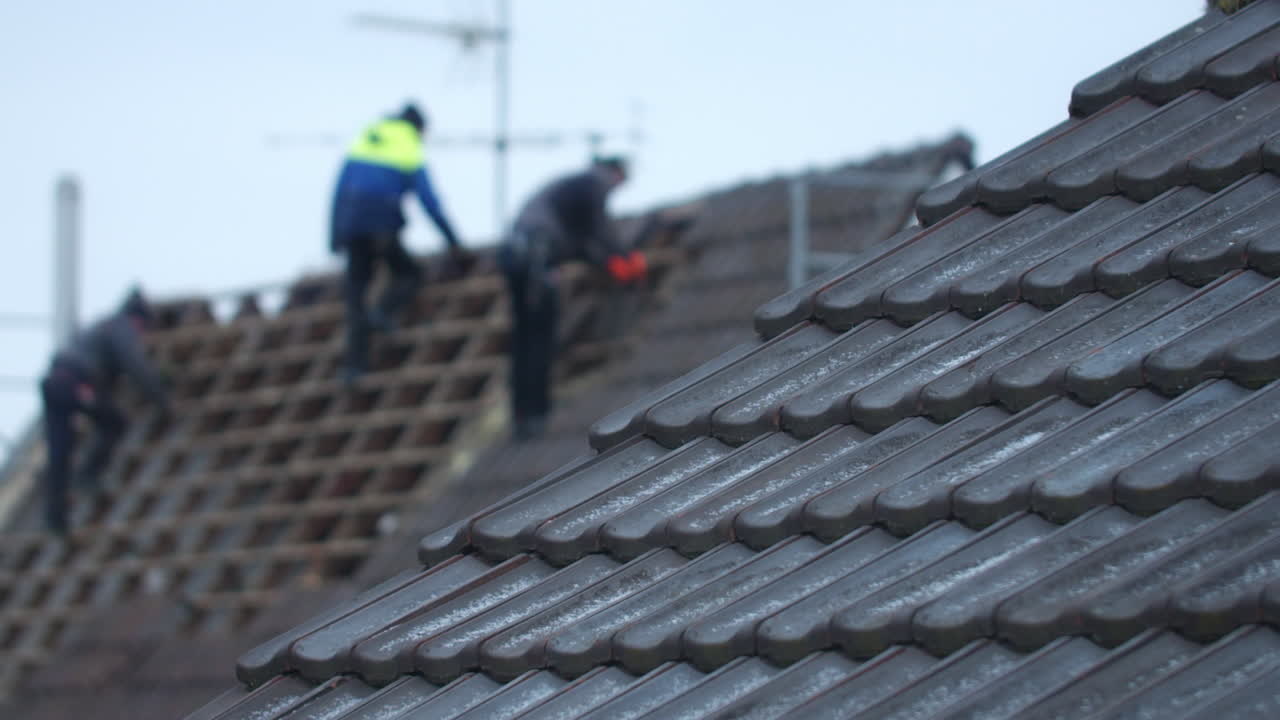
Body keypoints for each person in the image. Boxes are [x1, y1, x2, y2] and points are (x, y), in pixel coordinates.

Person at [498, 156, 647, 440]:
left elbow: (582, 242)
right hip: (534, 260)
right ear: (615, 173)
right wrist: (624, 257)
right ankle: (535, 415)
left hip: (517, 257)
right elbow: (598, 228)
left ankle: (523, 415)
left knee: (525, 340)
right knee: (538, 339)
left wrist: (606, 261)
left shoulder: (572, 190)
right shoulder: (593, 184)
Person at [330, 102, 467, 384]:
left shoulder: (368, 135)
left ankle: (355, 367)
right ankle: (382, 313)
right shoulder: (408, 142)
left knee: (356, 294)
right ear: (418, 127)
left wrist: (334, 235)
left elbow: (340, 188)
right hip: (382, 222)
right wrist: (453, 240)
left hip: (352, 223)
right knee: (408, 273)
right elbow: (429, 200)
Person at [39, 288, 171, 536]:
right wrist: (161, 401)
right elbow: (135, 365)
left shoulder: (100, 326)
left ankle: (55, 518)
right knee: (115, 422)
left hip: (53, 384)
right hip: (76, 384)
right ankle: (89, 475)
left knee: (60, 452)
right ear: (138, 320)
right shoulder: (121, 328)